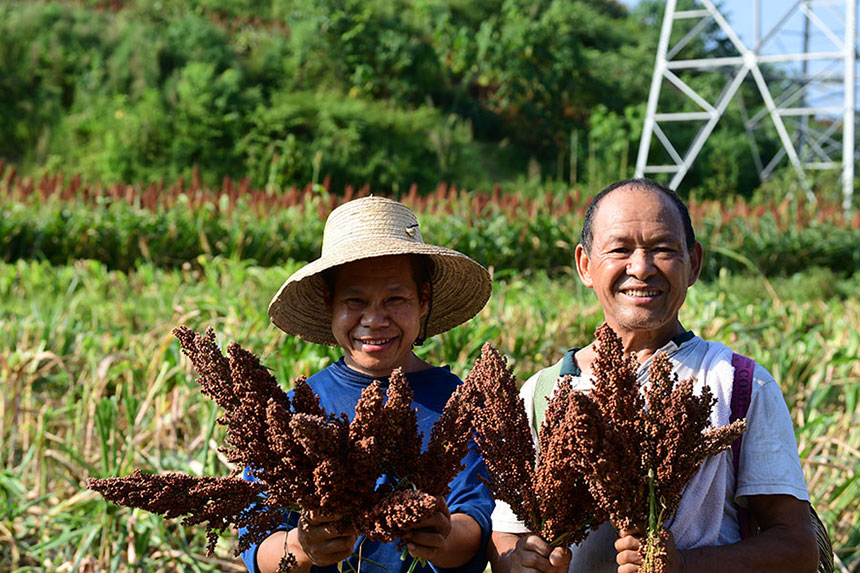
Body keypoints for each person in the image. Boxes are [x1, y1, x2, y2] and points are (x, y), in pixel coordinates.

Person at [488, 178, 819, 572]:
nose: (641, 268)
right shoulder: (544, 391)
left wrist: (683, 565)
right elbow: (506, 532)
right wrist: (518, 559)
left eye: (662, 249)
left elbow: (798, 549)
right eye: (620, 249)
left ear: (693, 263)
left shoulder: (739, 384)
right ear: (585, 265)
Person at [240, 196, 495, 573]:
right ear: (330, 303)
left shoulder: (457, 405)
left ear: (423, 300)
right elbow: (259, 545)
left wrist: (441, 537)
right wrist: (305, 545)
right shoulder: (295, 413)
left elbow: (477, 524)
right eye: (354, 300)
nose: (374, 319)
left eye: (396, 298)